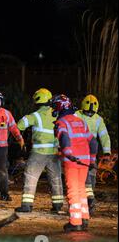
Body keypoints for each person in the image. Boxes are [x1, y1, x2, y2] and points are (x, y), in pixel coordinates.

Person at [52, 95, 98, 232]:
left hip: (72, 161)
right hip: (84, 161)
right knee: (81, 189)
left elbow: (65, 139)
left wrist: (67, 153)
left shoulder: (61, 123)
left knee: (72, 191)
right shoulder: (81, 121)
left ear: (59, 108)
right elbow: (93, 142)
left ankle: (75, 222)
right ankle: (84, 219)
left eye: (54, 107)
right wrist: (92, 160)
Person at [15, 88, 64, 213]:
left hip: (38, 153)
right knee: (56, 178)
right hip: (54, 153)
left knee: (31, 177)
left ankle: (27, 205)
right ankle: (58, 205)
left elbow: (19, 125)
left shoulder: (35, 115)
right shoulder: (58, 114)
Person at [75, 94, 111, 215]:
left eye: (91, 113)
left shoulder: (98, 119)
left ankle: (88, 201)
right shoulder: (77, 115)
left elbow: (104, 136)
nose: (89, 114)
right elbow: (104, 136)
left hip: (88, 151)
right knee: (86, 179)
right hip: (84, 151)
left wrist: (107, 152)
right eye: (88, 112)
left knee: (91, 179)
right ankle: (89, 202)